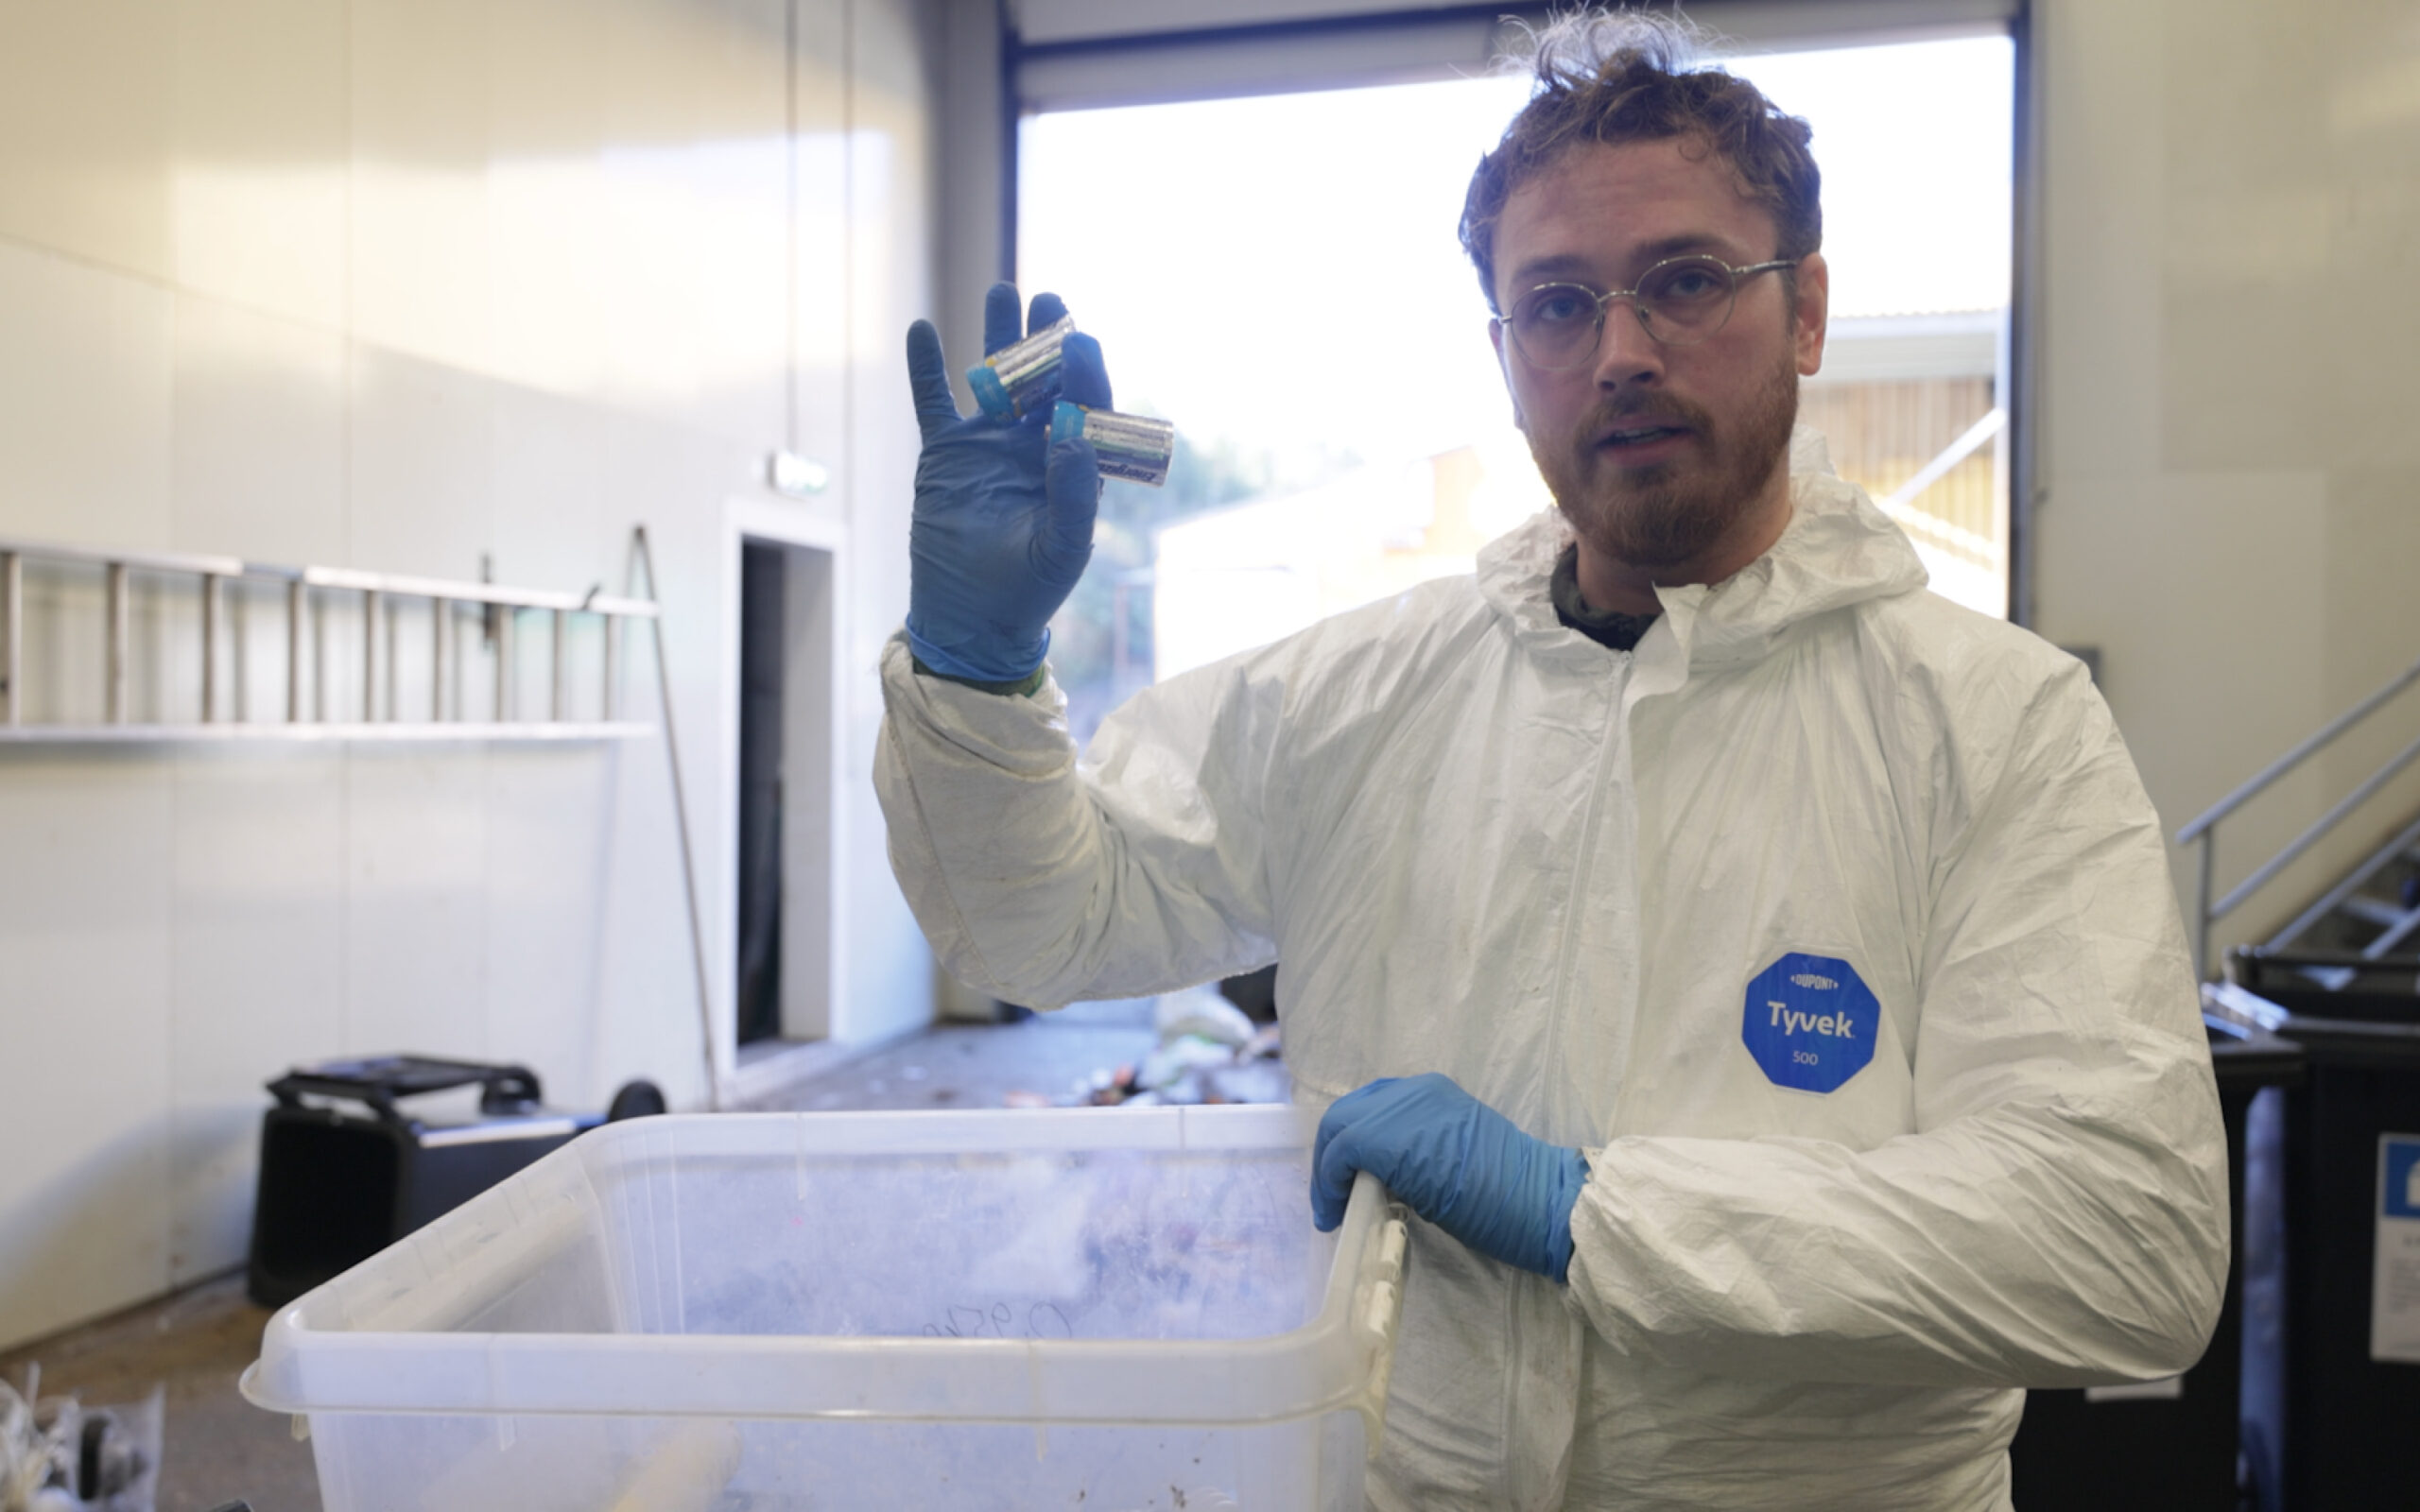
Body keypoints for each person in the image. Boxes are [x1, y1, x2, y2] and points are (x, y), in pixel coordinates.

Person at [876, 12, 2226, 1508]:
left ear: (1807, 312)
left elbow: (2126, 1239)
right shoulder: (1358, 698)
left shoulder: (1991, 727)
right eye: (1559, 305)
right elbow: (1040, 925)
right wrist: (976, 672)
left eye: (1687, 281)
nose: (1622, 354)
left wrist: (1590, 1216)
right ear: (1507, 356)